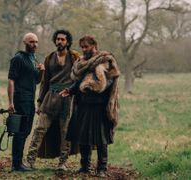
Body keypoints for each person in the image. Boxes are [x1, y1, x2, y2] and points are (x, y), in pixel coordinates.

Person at [60, 35, 120, 177]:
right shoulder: (82, 62)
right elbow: (78, 81)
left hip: (99, 106)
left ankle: (101, 169)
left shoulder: (106, 60)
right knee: (83, 137)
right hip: (83, 105)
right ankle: (85, 167)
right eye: (82, 47)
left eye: (87, 46)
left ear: (94, 45)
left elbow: (111, 79)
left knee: (101, 139)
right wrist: (70, 90)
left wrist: (95, 86)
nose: (84, 49)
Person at [26, 30, 80, 171]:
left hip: (68, 99)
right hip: (50, 97)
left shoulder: (74, 57)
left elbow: (80, 76)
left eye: (62, 39)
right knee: (39, 129)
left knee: (65, 132)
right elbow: (44, 82)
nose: (59, 41)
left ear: (67, 42)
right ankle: (30, 160)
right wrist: (39, 102)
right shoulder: (50, 58)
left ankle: (62, 163)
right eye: (57, 39)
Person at [7, 32, 45, 172]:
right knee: (20, 131)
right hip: (20, 99)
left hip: (30, 99)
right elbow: (11, 80)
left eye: (36, 42)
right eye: (31, 42)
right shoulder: (18, 59)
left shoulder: (32, 59)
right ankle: (16, 164)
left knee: (26, 130)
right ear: (25, 43)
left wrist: (41, 71)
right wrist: (11, 103)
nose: (34, 44)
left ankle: (18, 162)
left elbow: (37, 81)